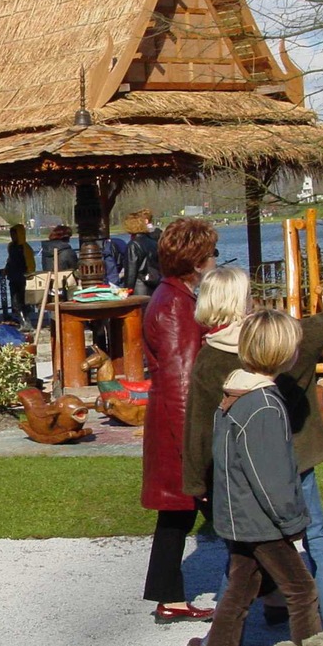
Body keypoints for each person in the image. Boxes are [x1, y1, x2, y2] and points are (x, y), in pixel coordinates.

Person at [183, 267, 323, 637]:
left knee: (243, 553)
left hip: (244, 471)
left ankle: (221, 637)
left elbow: (199, 429)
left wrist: (196, 481)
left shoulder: (210, 360)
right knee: (316, 539)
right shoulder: (287, 336)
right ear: (245, 299)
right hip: (299, 459)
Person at [197, 309, 322, 646]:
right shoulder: (264, 405)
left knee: (238, 592)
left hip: (239, 517)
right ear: (284, 355)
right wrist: (292, 520)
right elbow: (271, 476)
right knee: (301, 592)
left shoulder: (234, 395)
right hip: (261, 521)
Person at [140, 217, 217, 622]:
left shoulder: (174, 298)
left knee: (177, 513)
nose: (215, 260)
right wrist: (196, 446)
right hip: (180, 427)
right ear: (198, 259)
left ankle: (168, 596)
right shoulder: (174, 305)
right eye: (211, 253)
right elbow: (181, 380)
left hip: (172, 424)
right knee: (228, 512)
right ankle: (277, 591)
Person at [123, 211, 161, 297]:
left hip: (139, 286)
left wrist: (126, 292)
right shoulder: (153, 242)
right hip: (153, 283)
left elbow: (131, 272)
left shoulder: (133, 245)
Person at [4, 223, 36, 321]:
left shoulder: (26, 248)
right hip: (13, 277)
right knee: (15, 300)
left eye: (15, 234)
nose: (13, 236)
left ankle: (26, 319)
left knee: (23, 300)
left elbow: (30, 263)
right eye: (12, 234)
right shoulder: (11, 246)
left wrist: (30, 274)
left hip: (23, 278)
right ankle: (19, 318)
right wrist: (6, 269)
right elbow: (10, 260)